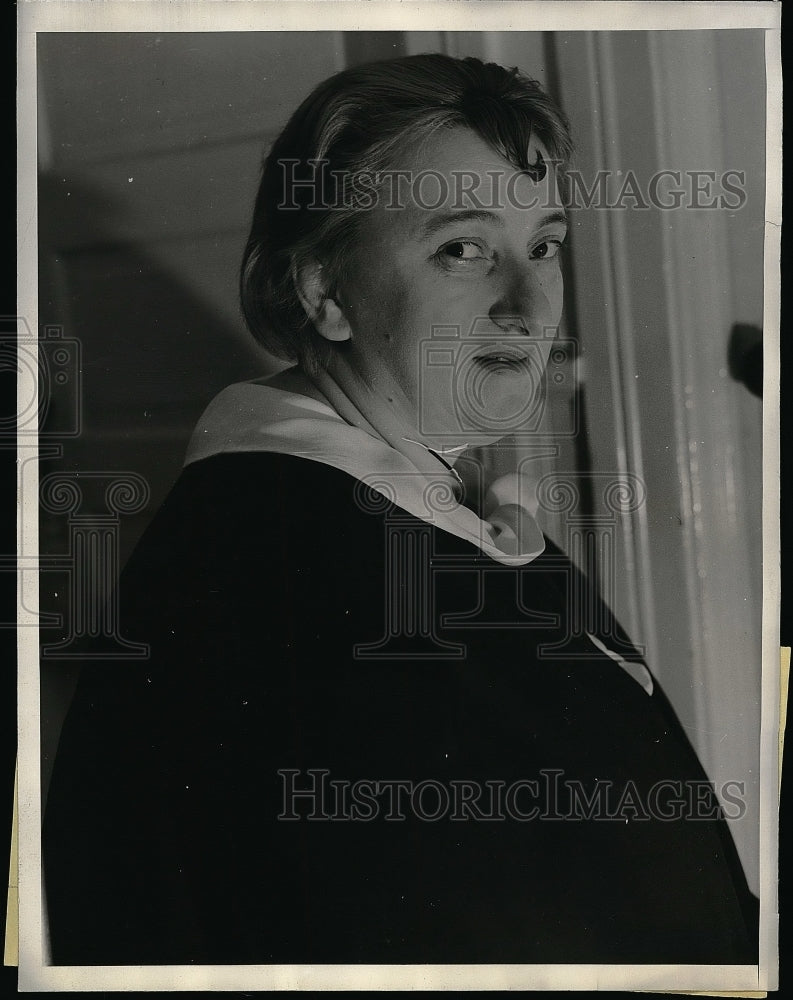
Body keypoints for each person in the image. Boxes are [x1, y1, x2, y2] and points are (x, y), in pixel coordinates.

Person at [43, 53, 758, 966]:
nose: (525, 305)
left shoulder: (416, 511)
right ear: (323, 290)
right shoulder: (286, 576)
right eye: (462, 247)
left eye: (542, 246)